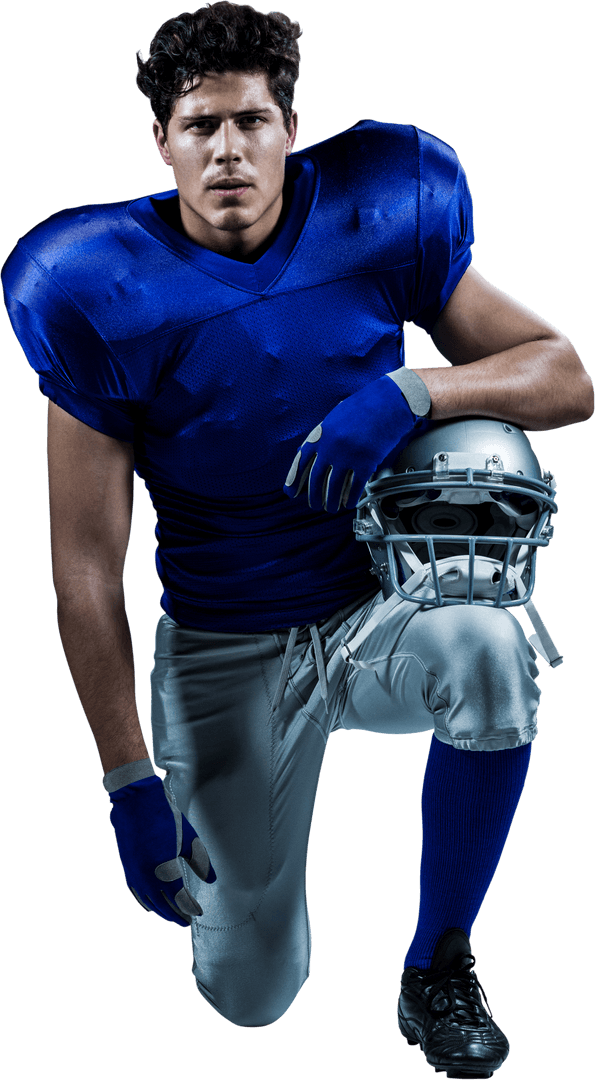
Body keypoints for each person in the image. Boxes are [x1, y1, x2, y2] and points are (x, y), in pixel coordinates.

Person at [2, 2, 592, 1076]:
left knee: (493, 654)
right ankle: (259, 926)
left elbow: (563, 373)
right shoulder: (96, 285)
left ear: (288, 125)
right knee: (250, 994)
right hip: (228, 642)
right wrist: (125, 779)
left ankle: (437, 961)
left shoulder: (377, 208)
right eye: (198, 127)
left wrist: (416, 388)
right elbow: (86, 564)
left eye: (250, 121)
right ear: (160, 141)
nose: (227, 149)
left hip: (376, 611)